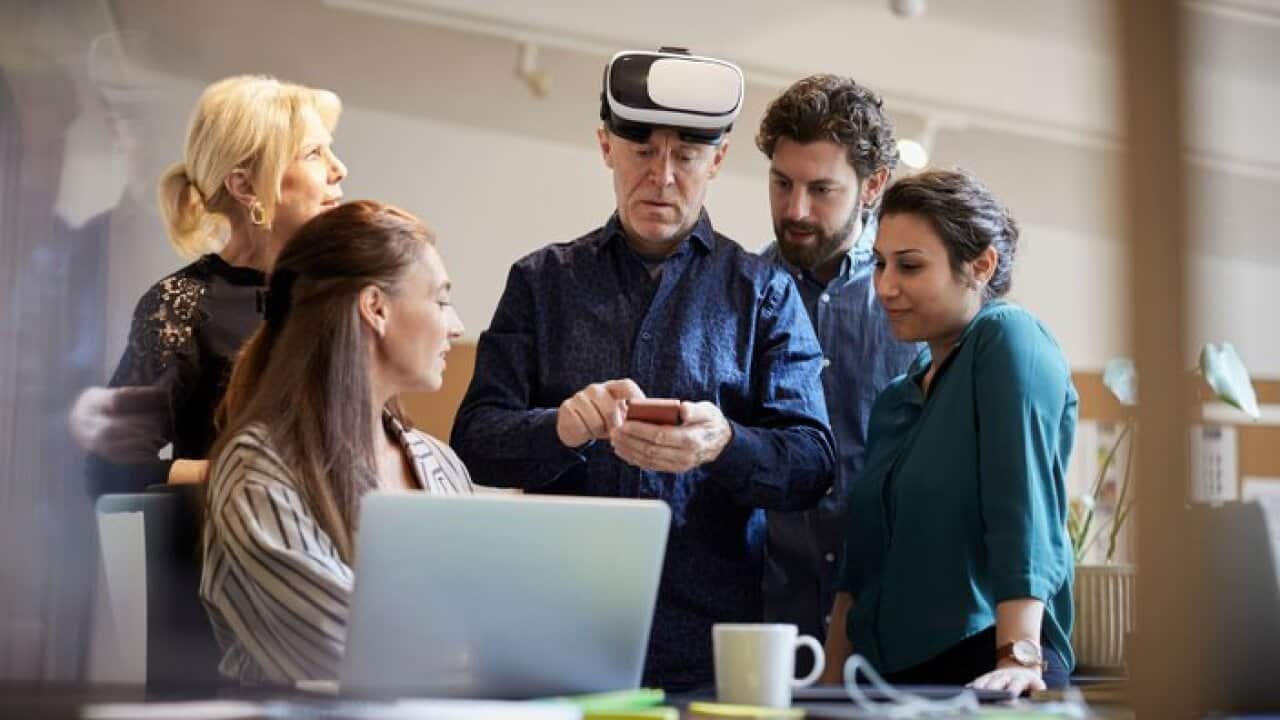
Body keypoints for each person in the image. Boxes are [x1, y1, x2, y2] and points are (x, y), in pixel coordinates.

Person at [450, 48, 835, 690]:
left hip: (710, 651)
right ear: (606, 146)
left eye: (685, 156)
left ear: (717, 160)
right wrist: (562, 428)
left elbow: (812, 464)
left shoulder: (763, 293)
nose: (661, 177)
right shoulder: (540, 283)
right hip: (554, 636)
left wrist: (725, 443)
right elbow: (473, 443)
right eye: (642, 152)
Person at [822, 169, 1076, 694]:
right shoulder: (896, 397)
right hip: (885, 680)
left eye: (910, 266)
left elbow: (1021, 506)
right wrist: (823, 688)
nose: (885, 287)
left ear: (981, 265)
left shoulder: (1007, 339)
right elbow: (859, 569)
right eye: (880, 264)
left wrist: (1019, 660)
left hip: (986, 663)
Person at [201, 200, 473, 685]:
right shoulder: (257, 473)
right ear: (375, 308)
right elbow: (350, 654)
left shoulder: (441, 462)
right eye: (441, 299)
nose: (456, 326)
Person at [73, 74, 348, 494]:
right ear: (244, 186)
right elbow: (107, 468)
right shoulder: (180, 305)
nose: (338, 168)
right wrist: (244, 477)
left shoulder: (337, 295)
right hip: (222, 551)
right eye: (314, 153)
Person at [755, 75, 922, 648]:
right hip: (768, 617)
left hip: (895, 620)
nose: (794, 209)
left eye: (821, 190)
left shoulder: (920, 303)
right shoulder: (741, 296)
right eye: (781, 183)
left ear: (873, 185)